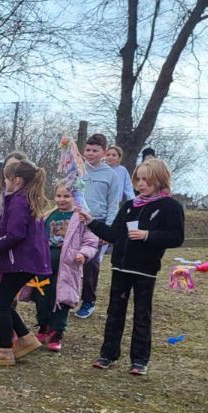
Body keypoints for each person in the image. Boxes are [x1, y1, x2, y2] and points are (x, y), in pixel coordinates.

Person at [87, 158, 185, 375]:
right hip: (120, 268)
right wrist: (91, 222)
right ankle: (108, 354)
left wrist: (148, 235)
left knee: (142, 315)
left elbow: (176, 237)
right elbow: (113, 234)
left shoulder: (170, 207)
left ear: (159, 180)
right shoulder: (129, 206)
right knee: (114, 312)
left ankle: (139, 360)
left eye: (146, 180)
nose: (141, 184)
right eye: (138, 179)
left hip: (145, 270)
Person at [0, 159, 52, 366]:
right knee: (2, 299)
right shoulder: (27, 199)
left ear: (17, 180)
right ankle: (26, 338)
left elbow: (15, 235)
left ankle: (5, 350)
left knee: (1, 301)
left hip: (21, 261)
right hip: (28, 260)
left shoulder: (19, 201)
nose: (5, 183)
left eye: (7, 179)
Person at [32, 181, 100, 352]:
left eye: (66, 196)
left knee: (62, 298)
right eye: (58, 196)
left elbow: (91, 241)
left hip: (68, 266)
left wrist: (83, 254)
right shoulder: (48, 216)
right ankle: (44, 327)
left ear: (75, 197)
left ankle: (56, 333)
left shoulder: (81, 218)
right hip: (44, 264)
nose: (61, 199)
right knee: (42, 297)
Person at [76, 133, 126, 320]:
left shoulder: (111, 175)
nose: (90, 154)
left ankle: (88, 301)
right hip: (76, 221)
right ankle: (67, 296)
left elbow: (113, 204)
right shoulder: (78, 170)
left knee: (91, 263)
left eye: (95, 151)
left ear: (104, 152)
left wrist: (108, 230)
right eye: (88, 150)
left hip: (98, 222)